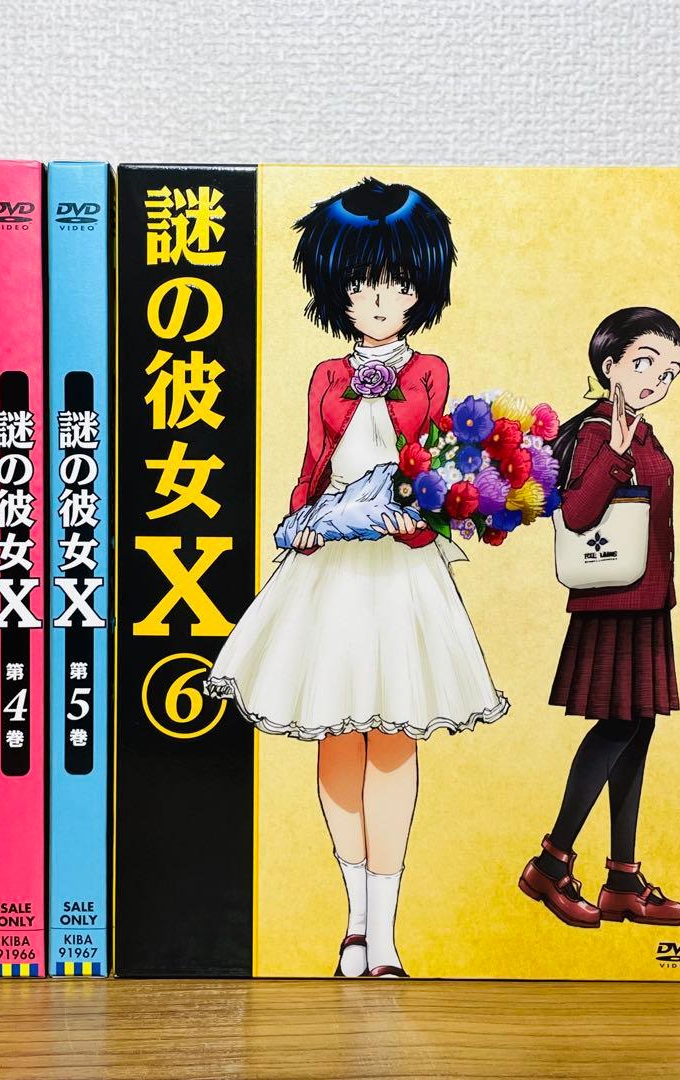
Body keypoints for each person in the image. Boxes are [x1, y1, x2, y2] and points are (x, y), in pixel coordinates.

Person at [205, 178, 507, 977]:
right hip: (331, 565)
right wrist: (298, 526)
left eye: (399, 283)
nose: (380, 299)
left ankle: (387, 936)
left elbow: (434, 466)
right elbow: (313, 466)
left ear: (422, 288)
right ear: (335, 289)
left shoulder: (430, 370)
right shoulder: (326, 376)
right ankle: (355, 922)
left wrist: (425, 520)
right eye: (362, 283)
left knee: (394, 738)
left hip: (400, 569)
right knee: (335, 733)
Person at [519, 307, 680, 929]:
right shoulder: (599, 431)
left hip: (647, 601)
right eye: (644, 363)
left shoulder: (641, 430)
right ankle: (550, 864)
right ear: (610, 365)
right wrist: (615, 453)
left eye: (668, 372)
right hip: (613, 603)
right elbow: (579, 514)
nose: (656, 381)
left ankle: (622, 877)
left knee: (638, 731)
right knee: (618, 728)